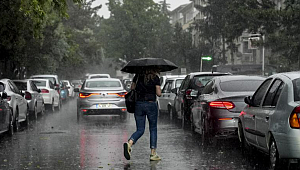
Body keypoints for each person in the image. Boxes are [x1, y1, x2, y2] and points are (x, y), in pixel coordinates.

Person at [123, 68, 162, 161]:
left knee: (140, 129)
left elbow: (132, 88)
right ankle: (153, 154)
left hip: (139, 104)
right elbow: (159, 93)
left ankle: (129, 143)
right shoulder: (155, 78)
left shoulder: (137, 77)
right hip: (151, 104)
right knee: (153, 128)